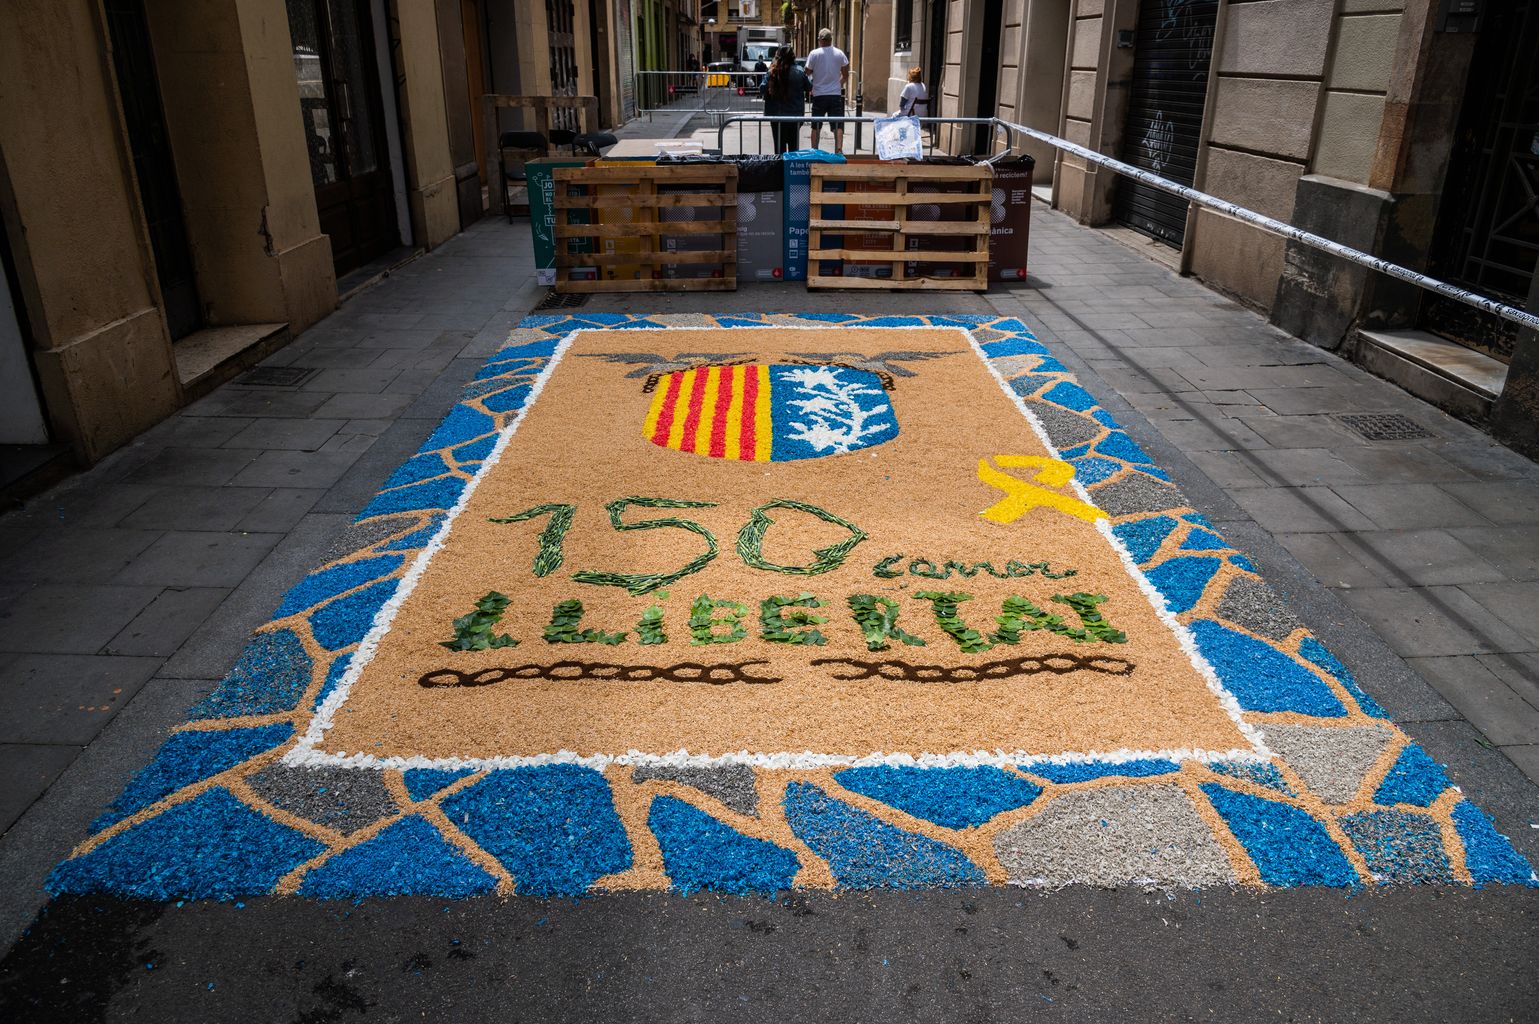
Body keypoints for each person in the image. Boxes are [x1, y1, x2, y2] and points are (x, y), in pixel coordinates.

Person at [804, 28, 849, 154]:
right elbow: (845, 74)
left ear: (820, 40)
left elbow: (807, 72)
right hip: (835, 94)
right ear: (830, 40)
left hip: (819, 94)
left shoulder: (814, 54)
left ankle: (814, 150)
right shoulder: (839, 53)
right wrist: (838, 84)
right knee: (838, 125)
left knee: (816, 125)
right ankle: (839, 150)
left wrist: (814, 72)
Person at [763, 45, 810, 154]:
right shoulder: (799, 71)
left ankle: (780, 170)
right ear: (793, 57)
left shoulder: (772, 72)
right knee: (793, 150)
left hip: (776, 116)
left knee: (779, 150)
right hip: (795, 116)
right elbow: (809, 86)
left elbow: (762, 88)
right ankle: (791, 170)